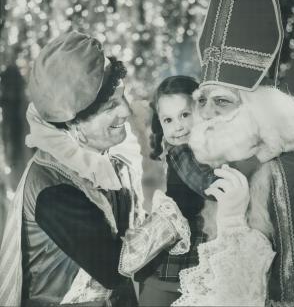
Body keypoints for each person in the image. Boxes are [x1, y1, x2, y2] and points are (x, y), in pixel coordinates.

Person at [0, 31, 188, 307]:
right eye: (111, 105)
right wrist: (181, 203)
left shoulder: (107, 163)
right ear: (73, 122)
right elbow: (114, 268)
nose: (125, 111)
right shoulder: (53, 188)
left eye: (123, 96)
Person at [169, 0, 294, 306]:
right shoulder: (239, 160)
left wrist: (231, 224)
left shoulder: (291, 175)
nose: (208, 114)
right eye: (202, 101)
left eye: (223, 102)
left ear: (261, 112)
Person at [134, 76, 207, 306]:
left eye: (185, 115)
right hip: (177, 256)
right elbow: (208, 185)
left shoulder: (200, 148)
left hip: (195, 248)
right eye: (168, 120)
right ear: (160, 124)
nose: (178, 126)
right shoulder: (180, 152)